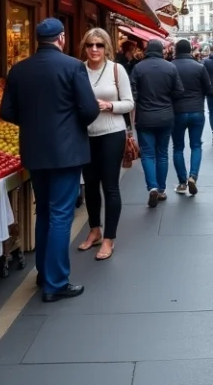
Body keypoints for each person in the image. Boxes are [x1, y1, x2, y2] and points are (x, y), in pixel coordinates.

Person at [0, 18, 99, 300]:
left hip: (34, 151)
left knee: (43, 211)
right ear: (62, 38)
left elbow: (6, 111)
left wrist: (31, 122)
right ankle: (55, 282)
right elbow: (90, 109)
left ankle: (44, 274)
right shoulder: (72, 66)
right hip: (66, 152)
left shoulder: (19, 70)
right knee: (60, 215)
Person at [76, 28, 133, 261]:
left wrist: (110, 106)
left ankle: (109, 238)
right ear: (85, 47)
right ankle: (94, 230)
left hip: (112, 133)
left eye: (99, 45)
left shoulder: (117, 70)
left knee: (110, 186)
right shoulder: (78, 70)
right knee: (89, 186)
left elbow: (129, 103)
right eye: (90, 45)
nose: (94, 49)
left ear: (106, 47)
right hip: (85, 135)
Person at [130, 39, 184, 207]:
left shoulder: (138, 68)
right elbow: (179, 91)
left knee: (147, 154)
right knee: (162, 153)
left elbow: (132, 93)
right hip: (166, 116)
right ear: (161, 51)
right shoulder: (170, 67)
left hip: (145, 117)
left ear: (147, 51)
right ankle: (161, 190)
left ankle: (152, 187)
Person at [170, 40, 210, 195]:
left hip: (177, 111)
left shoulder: (171, 66)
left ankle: (182, 182)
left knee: (178, 147)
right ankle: (193, 176)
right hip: (196, 110)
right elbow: (208, 88)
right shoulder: (199, 67)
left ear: (176, 50)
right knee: (196, 145)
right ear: (190, 50)